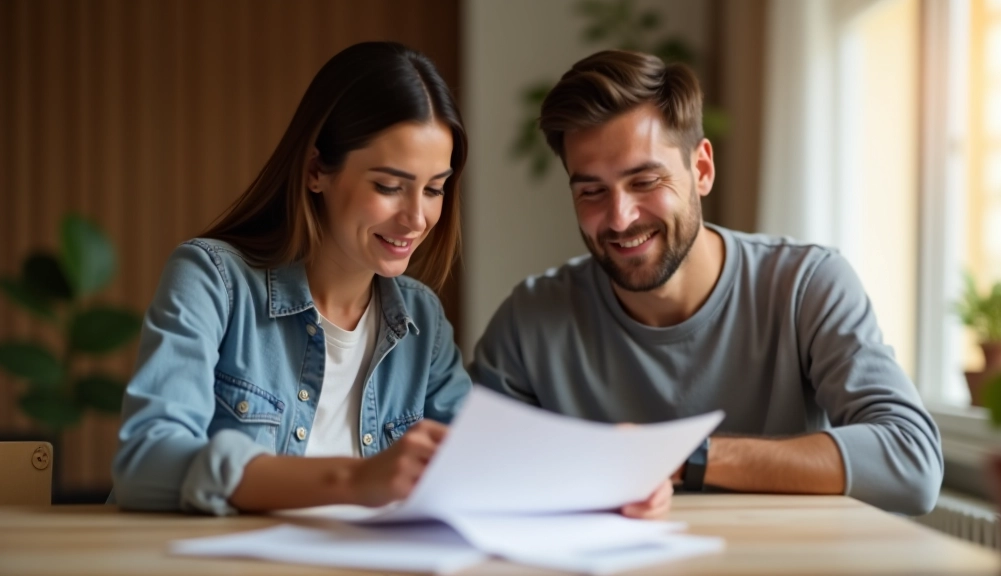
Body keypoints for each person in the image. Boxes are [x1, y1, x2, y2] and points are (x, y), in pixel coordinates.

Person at [470, 49, 943, 516]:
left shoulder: (806, 286)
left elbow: (911, 462)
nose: (619, 218)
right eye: (592, 191)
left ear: (701, 169)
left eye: (645, 181)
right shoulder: (530, 319)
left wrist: (681, 458)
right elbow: (465, 472)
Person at [110, 42, 472, 515]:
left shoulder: (423, 319)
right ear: (316, 170)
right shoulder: (212, 280)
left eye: (434, 190)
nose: (417, 218)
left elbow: (477, 471)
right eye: (388, 187)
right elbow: (145, 462)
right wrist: (352, 480)